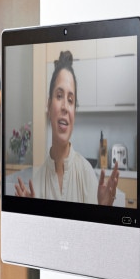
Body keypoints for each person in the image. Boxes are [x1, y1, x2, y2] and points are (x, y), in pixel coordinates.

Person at [14, 50, 118, 204]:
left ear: (74, 112)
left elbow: (90, 229)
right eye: (59, 96)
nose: (65, 107)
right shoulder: (37, 183)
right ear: (49, 106)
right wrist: (29, 218)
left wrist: (103, 210)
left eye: (70, 100)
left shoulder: (86, 174)